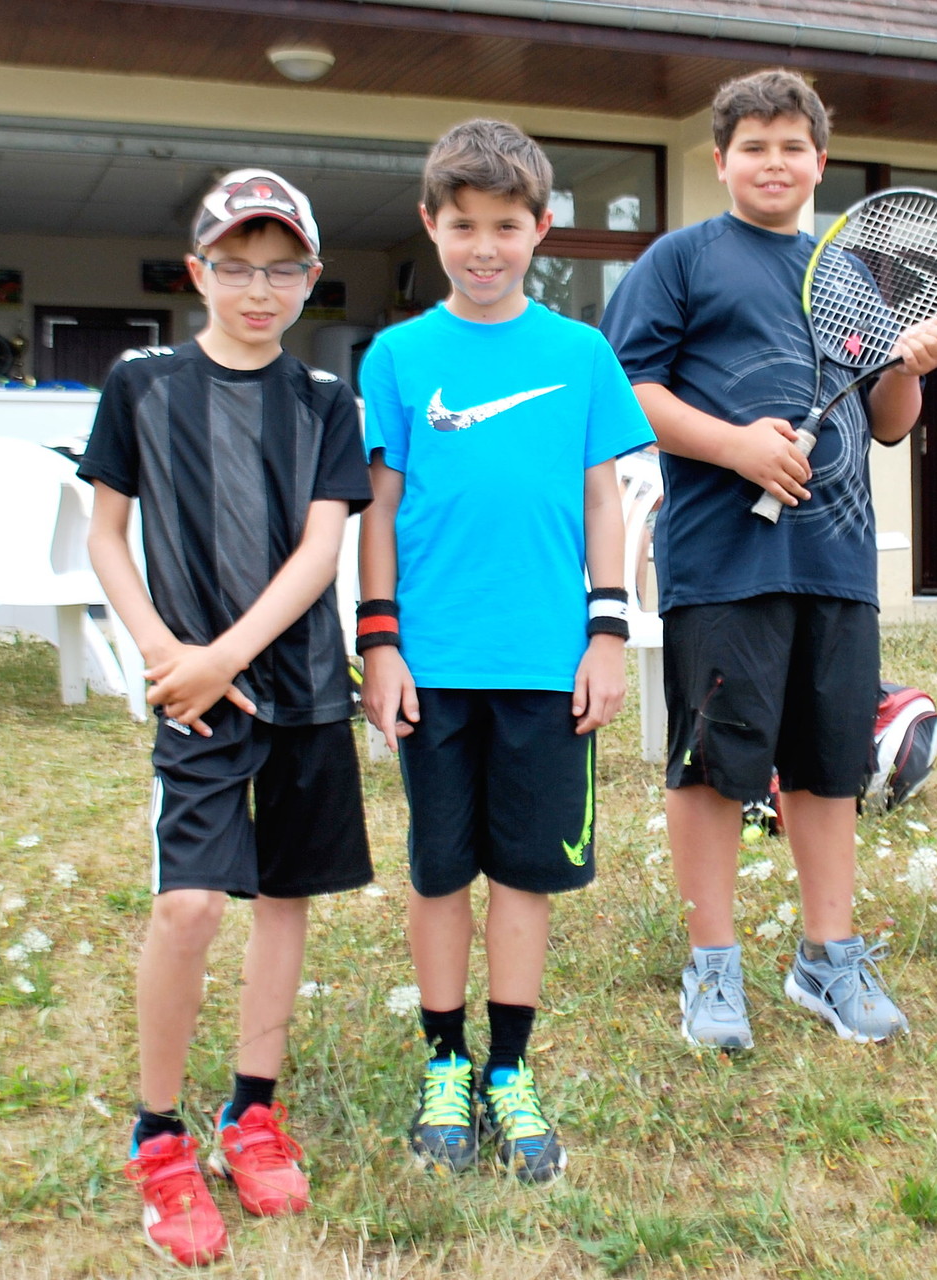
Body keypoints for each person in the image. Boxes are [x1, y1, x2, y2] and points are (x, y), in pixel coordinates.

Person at [600, 68, 937, 1051]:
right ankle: (712, 964)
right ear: (720, 161)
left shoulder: (850, 274)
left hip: (834, 562)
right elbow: (629, 390)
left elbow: (887, 422)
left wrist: (907, 370)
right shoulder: (681, 260)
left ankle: (825, 957)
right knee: (715, 765)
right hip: (723, 557)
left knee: (829, 764)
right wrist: (735, 445)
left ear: (819, 163)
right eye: (751, 146)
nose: (772, 161)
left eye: (791, 146)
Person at [81, 169, 373, 1266]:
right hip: (188, 696)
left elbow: (319, 549)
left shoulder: (323, 402)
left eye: (283, 266)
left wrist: (226, 654)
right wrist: (169, 655)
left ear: (308, 278)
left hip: (294, 686)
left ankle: (252, 1106)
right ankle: (158, 1131)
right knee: (193, 903)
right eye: (237, 266)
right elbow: (109, 534)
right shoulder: (141, 384)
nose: (260, 288)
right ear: (199, 271)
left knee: (284, 896)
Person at [358, 118, 653, 1181]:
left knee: (521, 877)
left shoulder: (579, 353)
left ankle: (508, 1069)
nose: (485, 247)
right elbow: (379, 508)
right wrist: (379, 640)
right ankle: (444, 1060)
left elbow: (602, 497)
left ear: (541, 231)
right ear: (432, 224)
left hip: (544, 663)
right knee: (441, 872)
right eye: (464, 225)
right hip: (430, 664)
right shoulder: (397, 355)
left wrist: (607, 629)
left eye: (508, 226)